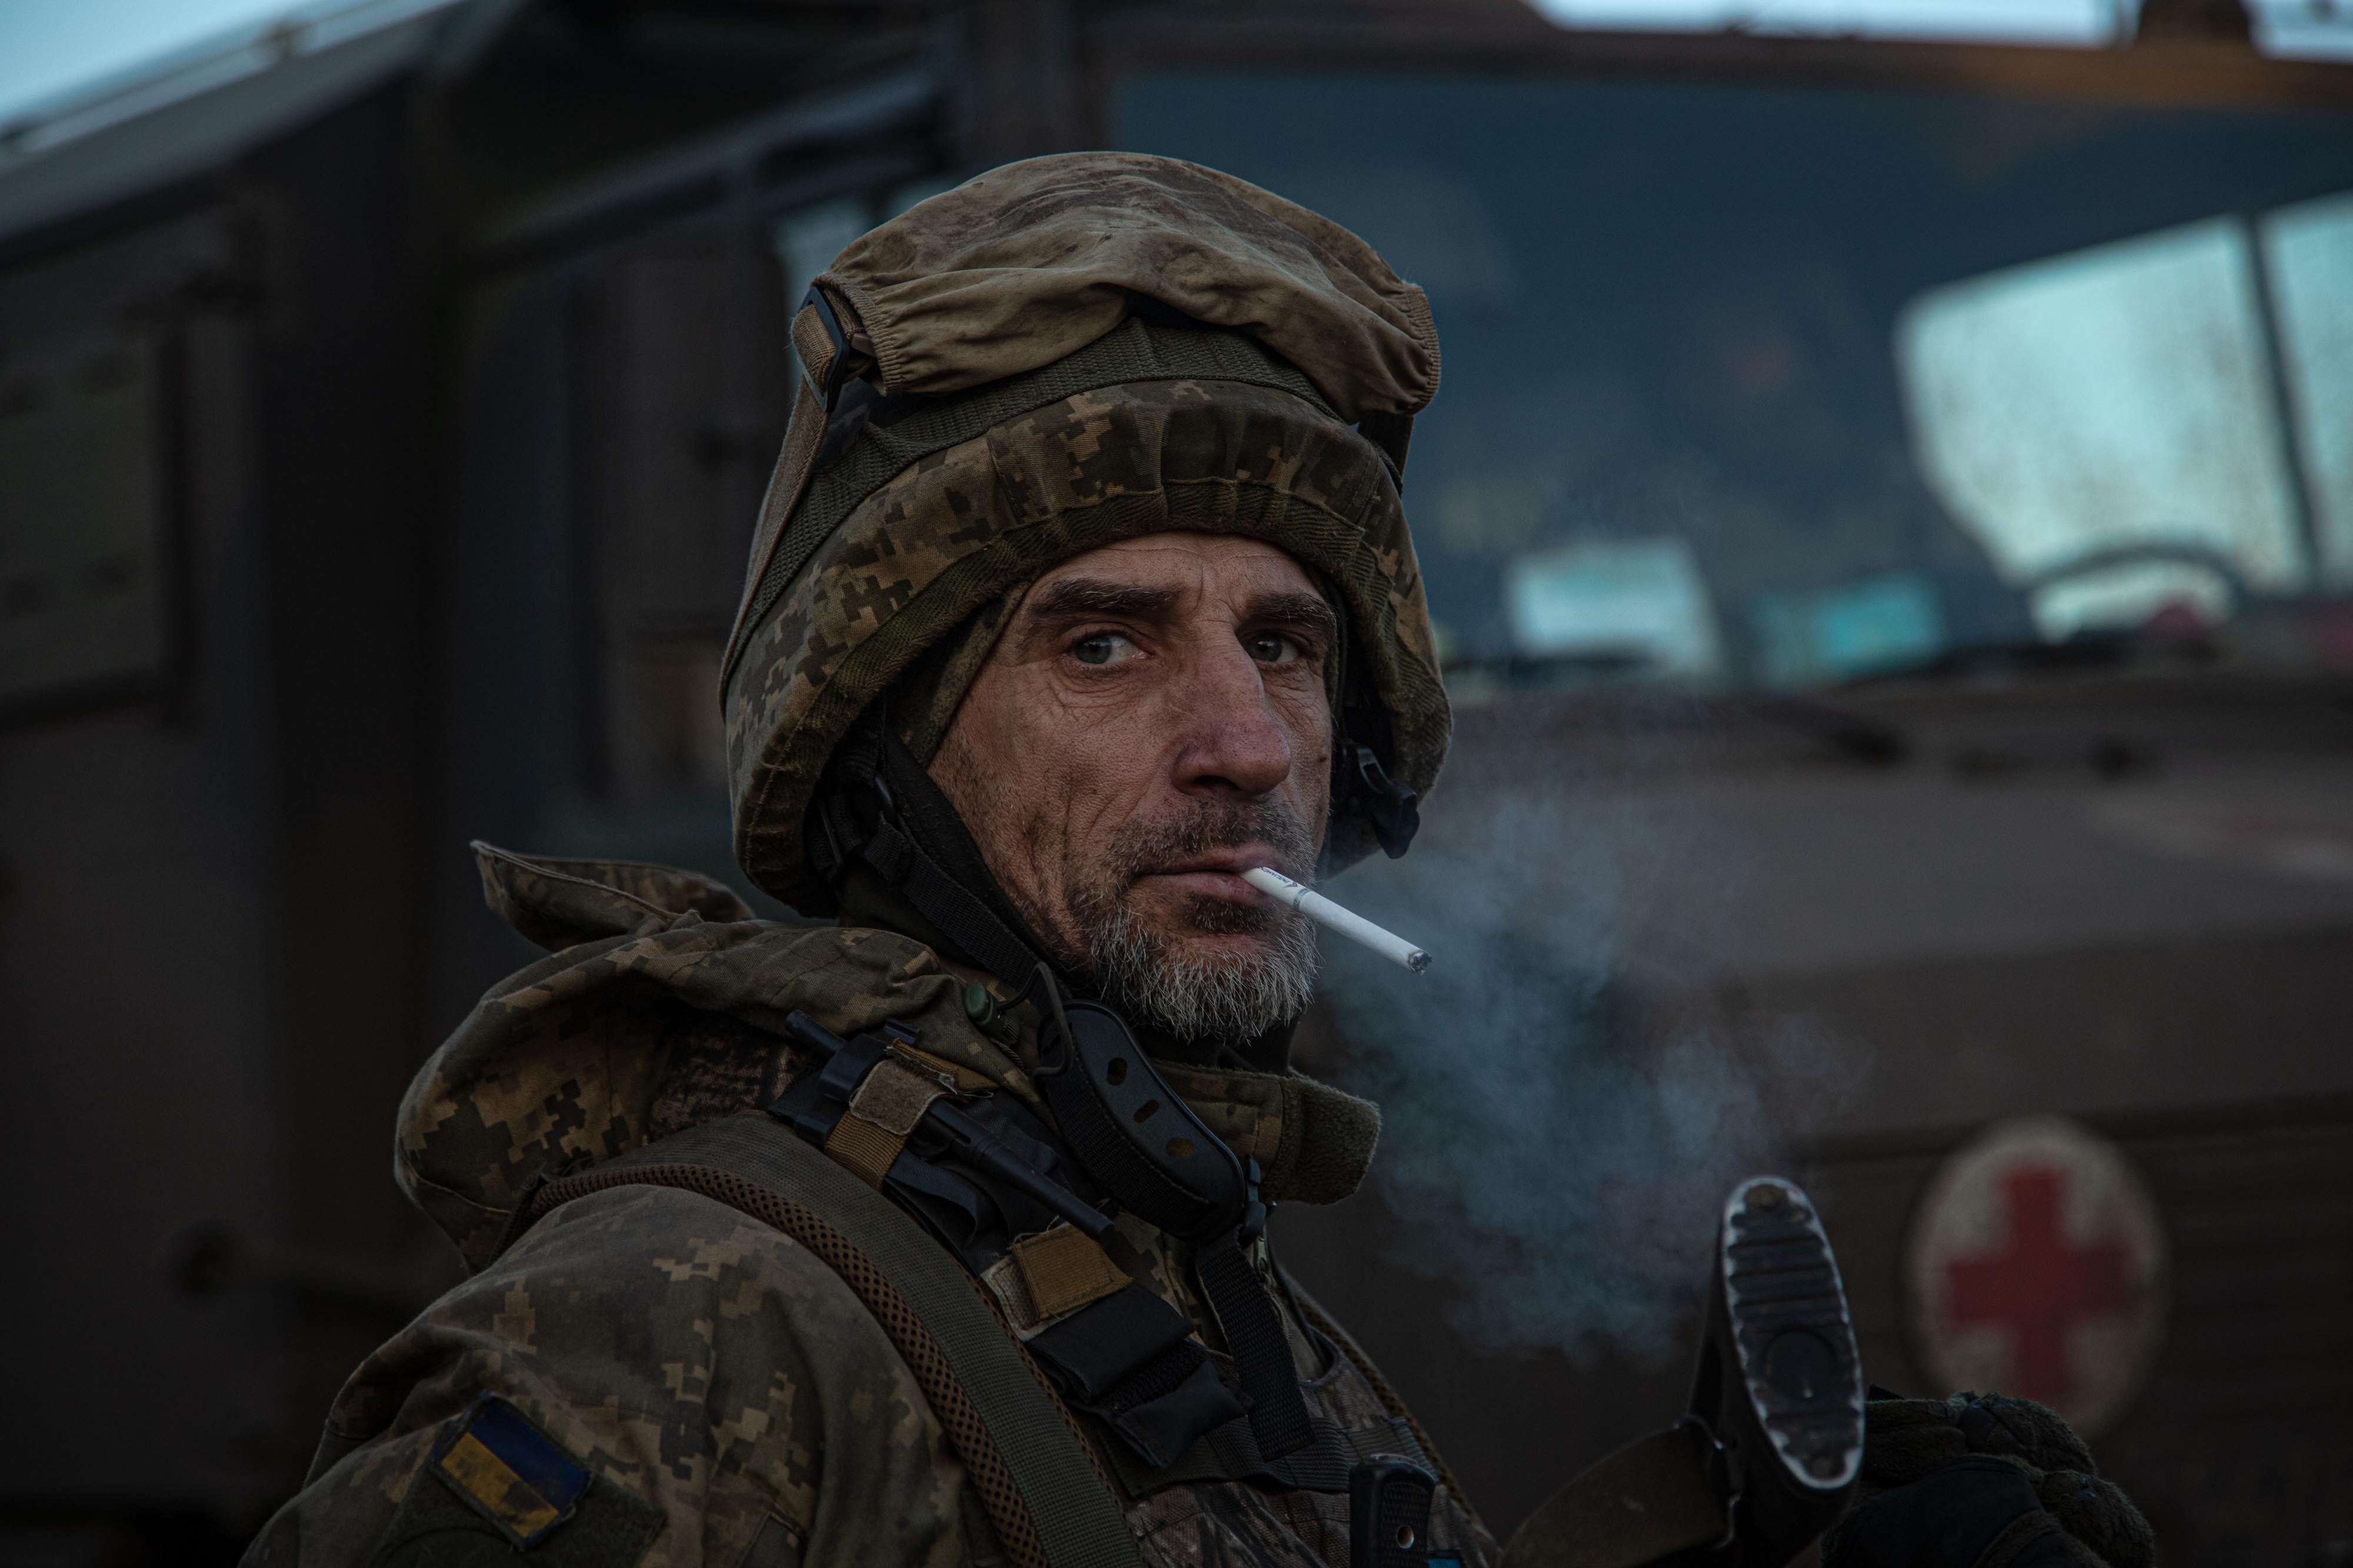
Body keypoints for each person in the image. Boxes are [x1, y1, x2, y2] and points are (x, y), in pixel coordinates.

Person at [242, 153, 2147, 1568]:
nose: (1244, 744)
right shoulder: (676, 1340)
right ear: (886, 749)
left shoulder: (1165, 1247)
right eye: (1104, 642)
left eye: (1286, 645)